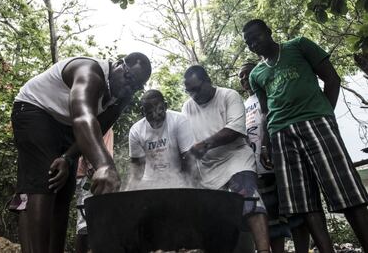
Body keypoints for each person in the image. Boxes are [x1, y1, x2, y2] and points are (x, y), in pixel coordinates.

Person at [243, 19, 368, 253]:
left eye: (255, 36)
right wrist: (266, 145)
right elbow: (265, 111)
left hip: (315, 123)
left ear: (269, 32)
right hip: (280, 135)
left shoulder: (298, 46)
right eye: (248, 42)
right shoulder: (256, 74)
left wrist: (324, 115)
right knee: (303, 203)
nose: (252, 43)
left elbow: (332, 79)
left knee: (346, 190)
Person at [9, 53, 151, 253]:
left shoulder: (122, 96)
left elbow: (99, 127)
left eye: (136, 86)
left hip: (66, 124)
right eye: (129, 78)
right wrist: (105, 165)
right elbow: (84, 118)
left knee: (64, 191)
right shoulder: (90, 72)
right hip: (35, 110)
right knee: (45, 183)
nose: (129, 87)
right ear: (119, 64)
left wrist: (68, 157)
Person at [182, 65, 271, 253]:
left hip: (235, 159)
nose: (194, 95)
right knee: (210, 216)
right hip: (206, 167)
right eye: (189, 91)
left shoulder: (228, 96)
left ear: (208, 80)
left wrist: (204, 145)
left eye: (197, 89)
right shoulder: (187, 106)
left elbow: (235, 130)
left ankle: (264, 251)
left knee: (249, 198)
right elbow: (186, 141)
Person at [239, 62, 310, 253]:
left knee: (297, 212)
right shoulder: (243, 105)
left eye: (247, 74)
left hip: (281, 159)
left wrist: (266, 146)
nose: (244, 79)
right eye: (241, 77)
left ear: (257, 74)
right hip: (258, 167)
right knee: (271, 217)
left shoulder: (269, 92)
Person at [125, 89, 195, 190]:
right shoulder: (136, 131)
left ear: (165, 106)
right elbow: (136, 170)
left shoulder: (179, 121)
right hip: (149, 184)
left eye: (159, 110)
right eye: (149, 112)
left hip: (177, 182)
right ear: (142, 111)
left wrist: (187, 187)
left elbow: (189, 159)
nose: (155, 116)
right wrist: (128, 192)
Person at [75, 129, 114, 253]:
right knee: (85, 221)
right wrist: (91, 166)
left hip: (102, 173)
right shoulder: (94, 115)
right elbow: (86, 138)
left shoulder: (107, 117)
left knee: (101, 220)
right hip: (89, 175)